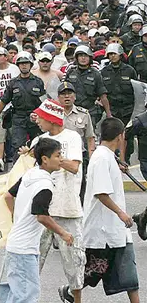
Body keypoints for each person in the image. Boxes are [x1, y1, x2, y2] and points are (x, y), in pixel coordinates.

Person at [0, 138, 74, 303]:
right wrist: (63, 233)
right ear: (45, 159)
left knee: (15, 293)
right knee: (26, 296)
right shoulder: (45, 186)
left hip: (16, 245)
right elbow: (42, 216)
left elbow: (9, 195)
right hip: (24, 250)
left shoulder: (30, 174)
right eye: (58, 155)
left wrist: (16, 217)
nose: (62, 159)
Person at [22, 100, 85, 303]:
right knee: (33, 260)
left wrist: (53, 159)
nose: (37, 121)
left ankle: (77, 299)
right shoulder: (39, 140)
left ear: (51, 118)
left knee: (74, 261)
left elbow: (75, 167)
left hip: (68, 208)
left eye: (41, 117)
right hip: (42, 210)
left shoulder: (73, 137)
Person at [78, 117, 140, 303]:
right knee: (92, 273)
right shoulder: (101, 158)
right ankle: (71, 292)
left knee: (129, 275)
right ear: (120, 136)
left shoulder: (106, 156)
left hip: (115, 229)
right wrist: (121, 213)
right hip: (103, 230)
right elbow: (101, 193)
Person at [0, 51, 45, 163]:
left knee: (38, 145)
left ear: (31, 64)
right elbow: (4, 100)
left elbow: (44, 102)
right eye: (21, 63)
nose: (24, 65)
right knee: (18, 146)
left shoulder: (38, 82)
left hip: (35, 118)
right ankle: (17, 174)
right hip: (18, 118)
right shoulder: (13, 83)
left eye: (26, 63)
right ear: (18, 65)